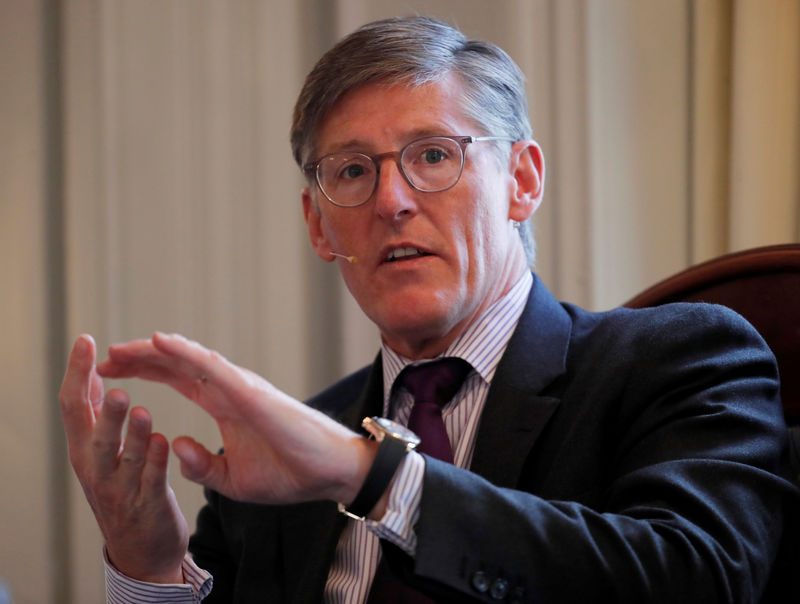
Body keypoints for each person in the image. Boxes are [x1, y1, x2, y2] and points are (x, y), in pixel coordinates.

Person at [59, 16, 797, 603]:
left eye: (434, 155)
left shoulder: (679, 360)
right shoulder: (285, 451)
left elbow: (701, 580)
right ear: (319, 226)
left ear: (521, 179)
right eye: (352, 171)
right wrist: (151, 566)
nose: (391, 200)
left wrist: (372, 477)